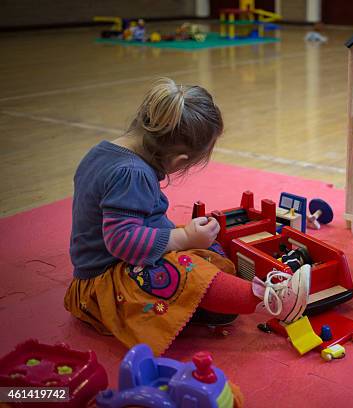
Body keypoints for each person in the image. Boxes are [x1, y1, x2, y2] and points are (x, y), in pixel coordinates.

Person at [64, 78, 310, 356]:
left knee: (199, 249)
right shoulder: (131, 173)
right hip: (104, 288)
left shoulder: (103, 151)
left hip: (117, 265)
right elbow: (122, 243)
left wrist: (187, 236)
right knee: (186, 271)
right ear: (178, 161)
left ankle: (202, 304)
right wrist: (182, 237)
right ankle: (272, 300)